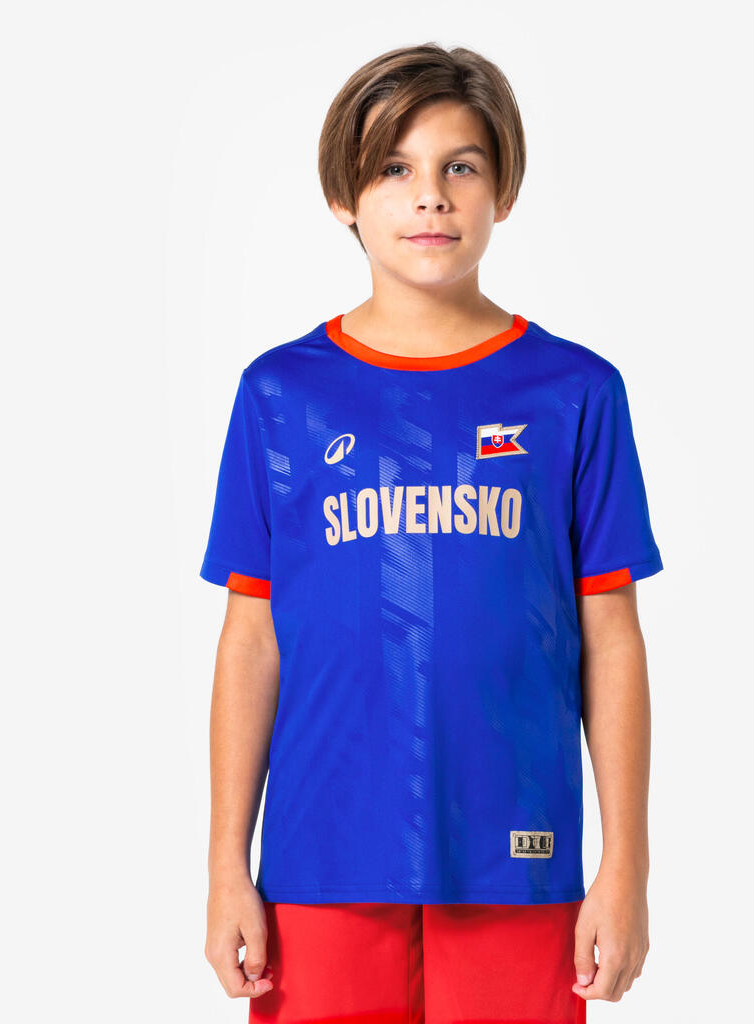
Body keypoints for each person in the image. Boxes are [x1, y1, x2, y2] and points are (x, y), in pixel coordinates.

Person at [198, 42, 663, 1023]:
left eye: (461, 166)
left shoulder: (574, 393)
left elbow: (611, 637)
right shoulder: (280, 396)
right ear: (343, 196)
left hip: (518, 855)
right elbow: (250, 640)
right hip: (320, 862)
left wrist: (624, 866)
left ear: (504, 190)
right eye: (394, 169)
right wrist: (225, 866)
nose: (430, 197)